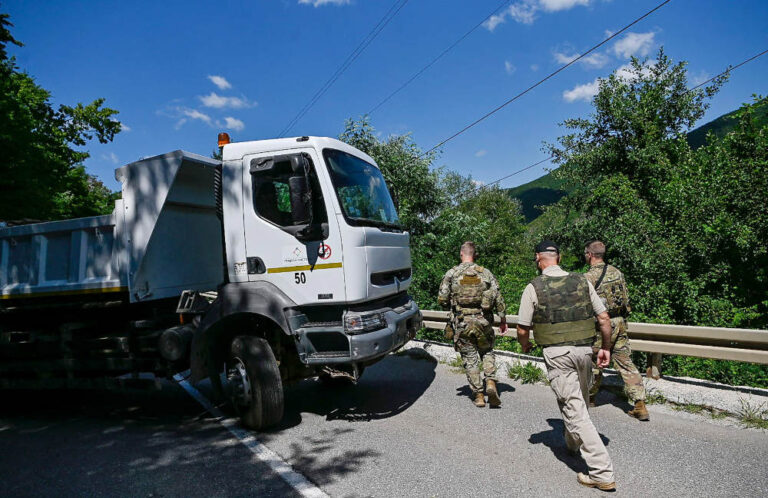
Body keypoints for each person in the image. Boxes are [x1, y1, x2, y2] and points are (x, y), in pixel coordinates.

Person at [510, 240, 616, 491]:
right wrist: (606, 348)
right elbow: (603, 317)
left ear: (538, 258)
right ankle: (572, 444)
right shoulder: (582, 281)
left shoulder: (533, 287)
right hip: (584, 351)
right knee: (577, 402)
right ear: (559, 257)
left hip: (557, 354)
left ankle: (602, 473)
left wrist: (525, 345)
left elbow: (522, 328)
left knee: (574, 408)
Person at [584, 240, 649, 421]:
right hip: (620, 322)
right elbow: (625, 298)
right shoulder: (617, 272)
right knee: (625, 362)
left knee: (596, 361)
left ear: (589, 255)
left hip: (602, 324)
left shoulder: (588, 278)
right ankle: (639, 403)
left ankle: (589, 397)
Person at [438, 241, 507, 408]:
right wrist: (502, 319)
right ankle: (490, 381)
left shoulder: (452, 274)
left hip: (462, 322)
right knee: (487, 351)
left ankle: (479, 395)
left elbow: (442, 299)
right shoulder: (486, 273)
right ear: (474, 255)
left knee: (470, 358)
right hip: (483, 321)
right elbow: (498, 297)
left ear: (461, 254)